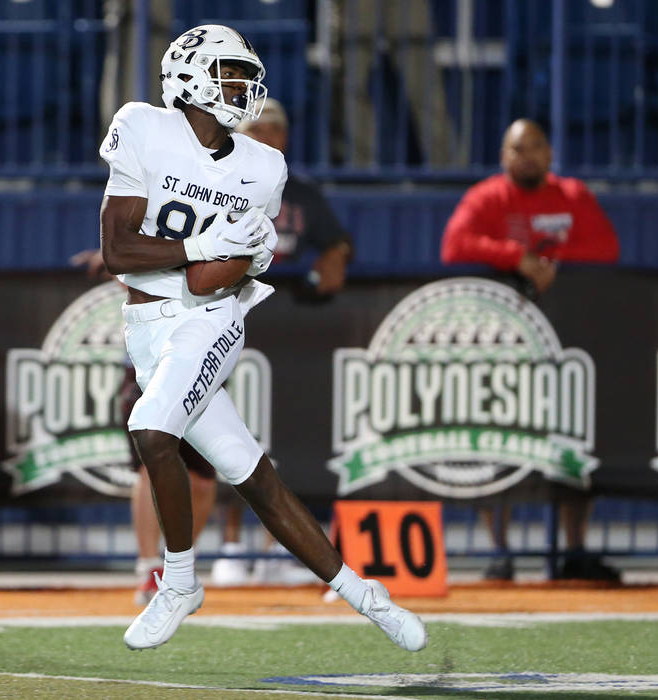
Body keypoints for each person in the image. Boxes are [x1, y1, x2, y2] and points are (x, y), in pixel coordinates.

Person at [99, 23, 426, 651]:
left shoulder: (263, 168)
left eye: (246, 75)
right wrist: (197, 244)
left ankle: (180, 582)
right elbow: (118, 250)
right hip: (145, 328)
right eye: (231, 74)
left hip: (213, 317)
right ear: (189, 77)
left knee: (149, 428)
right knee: (256, 479)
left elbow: (208, 279)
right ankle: (367, 597)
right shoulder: (143, 126)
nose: (244, 87)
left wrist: (211, 258)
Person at [441, 118, 620, 582]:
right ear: (504, 157)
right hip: (502, 347)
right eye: (518, 149)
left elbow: (606, 247)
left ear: (550, 153)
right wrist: (514, 257)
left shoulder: (573, 195)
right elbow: (454, 245)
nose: (528, 156)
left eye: (536, 146)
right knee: (492, 443)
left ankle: (575, 550)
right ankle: (501, 552)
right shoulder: (487, 197)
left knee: (573, 446)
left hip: (567, 343)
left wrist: (553, 262)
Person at [211, 98, 353, 586]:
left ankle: (279, 546)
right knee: (227, 434)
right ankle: (230, 543)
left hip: (287, 332)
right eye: (260, 130)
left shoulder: (302, 193)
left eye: (277, 131)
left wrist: (336, 255)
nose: (270, 139)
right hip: (225, 323)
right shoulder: (213, 182)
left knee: (284, 439)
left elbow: (337, 238)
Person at [71, 249, 217, 605]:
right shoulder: (160, 234)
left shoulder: (214, 240)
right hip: (148, 371)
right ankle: (149, 568)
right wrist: (113, 257)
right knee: (151, 467)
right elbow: (126, 260)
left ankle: (176, 566)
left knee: (203, 481)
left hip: (201, 369)